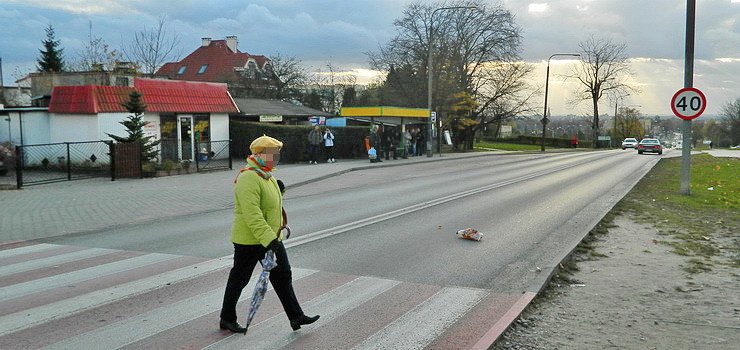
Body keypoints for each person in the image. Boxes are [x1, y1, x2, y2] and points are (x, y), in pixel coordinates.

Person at [220, 135, 319, 334]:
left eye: (277, 154)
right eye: (273, 154)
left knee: (283, 276)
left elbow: (269, 206)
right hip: (250, 240)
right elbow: (252, 214)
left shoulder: (266, 174)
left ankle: (296, 316)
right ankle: (227, 318)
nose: (277, 157)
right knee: (240, 278)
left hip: (270, 238)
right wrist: (270, 240)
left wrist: (279, 193)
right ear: (260, 154)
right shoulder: (248, 177)